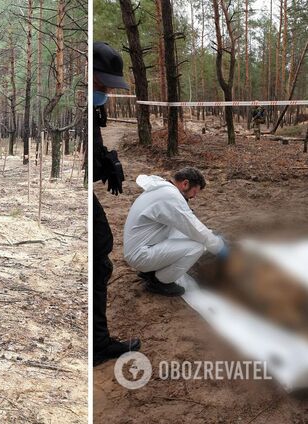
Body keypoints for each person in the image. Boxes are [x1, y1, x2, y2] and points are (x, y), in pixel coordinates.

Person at [93, 42, 141, 366]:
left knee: (100, 252)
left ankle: (97, 341)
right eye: (103, 83)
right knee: (99, 253)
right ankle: (97, 345)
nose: (108, 90)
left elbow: (93, 148)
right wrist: (101, 164)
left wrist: (108, 161)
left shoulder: (94, 105)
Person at [123, 167, 229, 297]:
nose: (194, 197)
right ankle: (159, 282)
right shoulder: (171, 197)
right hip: (140, 254)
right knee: (197, 246)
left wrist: (211, 234)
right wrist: (219, 247)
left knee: (187, 236)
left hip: (141, 246)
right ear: (185, 184)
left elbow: (183, 228)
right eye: (194, 192)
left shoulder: (162, 190)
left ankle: (150, 271)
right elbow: (195, 229)